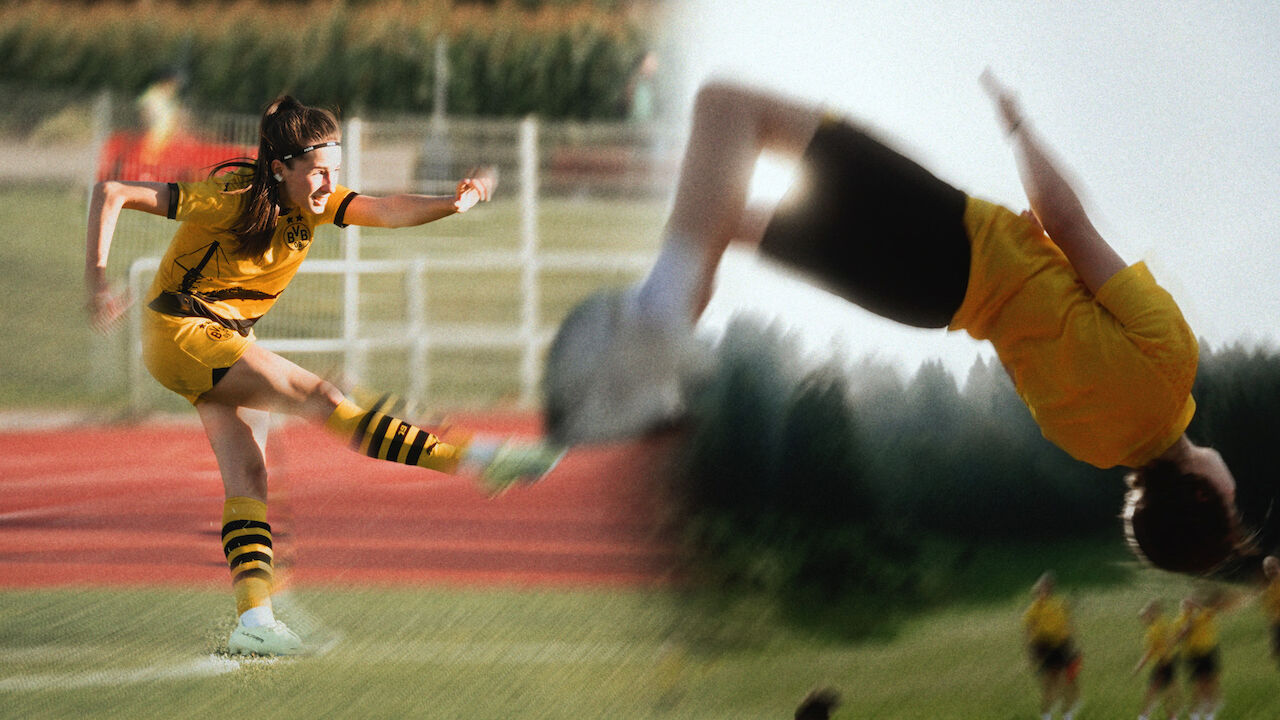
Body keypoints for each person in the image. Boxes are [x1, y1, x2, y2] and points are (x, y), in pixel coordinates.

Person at [543, 71, 1250, 577]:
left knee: (727, 107)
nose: (1233, 482)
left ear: (1199, 490)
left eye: (1230, 496)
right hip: (925, 303)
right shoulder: (1094, 446)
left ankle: (661, 319)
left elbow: (1066, 221)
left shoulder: (1171, 366)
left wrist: (1017, 125)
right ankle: (657, 340)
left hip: (950, 239)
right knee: (727, 216)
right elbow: (1033, 331)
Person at [86, 96, 562, 656]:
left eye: (335, 171)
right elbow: (111, 192)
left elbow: (385, 210)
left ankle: (254, 622)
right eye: (319, 171)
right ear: (280, 167)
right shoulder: (229, 198)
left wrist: (454, 203)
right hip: (183, 333)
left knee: (249, 476)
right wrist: (95, 280)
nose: (329, 183)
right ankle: (480, 459)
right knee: (324, 396)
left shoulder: (314, 202)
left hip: (220, 340)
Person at [1022, 572, 1082, 720]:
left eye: (1047, 587)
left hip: (1061, 646)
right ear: (1037, 589)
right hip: (1043, 646)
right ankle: (1046, 715)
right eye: (1042, 587)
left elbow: (1067, 626)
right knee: (1048, 683)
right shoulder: (1033, 609)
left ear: (1051, 588)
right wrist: (1030, 655)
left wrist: (1073, 645)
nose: (1044, 590)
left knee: (1066, 681)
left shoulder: (1058, 604)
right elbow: (1028, 633)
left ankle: (1066, 714)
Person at [1173, 591, 1227, 720]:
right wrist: (1186, 628)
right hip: (1193, 655)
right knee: (1198, 686)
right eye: (1186, 603)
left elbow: (1212, 612)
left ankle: (1210, 713)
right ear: (1182, 606)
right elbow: (1177, 639)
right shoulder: (1179, 620)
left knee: (1211, 683)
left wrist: (1197, 605)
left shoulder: (1203, 614)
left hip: (1209, 651)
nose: (1189, 605)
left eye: (1191, 603)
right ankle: (1195, 714)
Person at [1133, 599, 1180, 720]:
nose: (1143, 618)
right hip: (1170, 661)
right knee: (1166, 692)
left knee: (1151, 692)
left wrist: (1138, 667)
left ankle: (1144, 716)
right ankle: (1171, 716)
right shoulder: (1164, 621)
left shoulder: (1154, 630)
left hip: (1162, 663)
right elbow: (1172, 640)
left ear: (1153, 613)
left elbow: (1149, 653)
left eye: (1146, 614)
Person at [1262, 555, 1280, 667]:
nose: (1270, 571)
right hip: (1277, 626)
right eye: (1267, 569)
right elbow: (1270, 613)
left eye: (1273, 567)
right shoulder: (1269, 589)